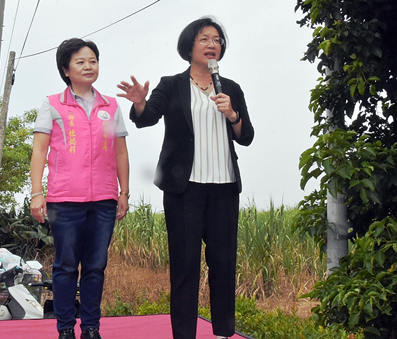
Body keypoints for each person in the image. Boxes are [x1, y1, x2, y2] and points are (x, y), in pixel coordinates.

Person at [117, 17, 254, 339]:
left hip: (224, 187)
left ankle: (223, 332)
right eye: (204, 39)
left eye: (217, 40)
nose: (212, 44)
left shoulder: (230, 88)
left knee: (223, 263)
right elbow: (146, 119)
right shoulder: (171, 84)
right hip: (183, 188)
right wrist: (139, 102)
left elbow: (246, 136)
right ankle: (184, 335)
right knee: (185, 265)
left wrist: (232, 115)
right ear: (189, 45)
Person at [30, 38, 130, 339]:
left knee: (96, 267)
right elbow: (39, 151)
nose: (88, 66)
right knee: (65, 267)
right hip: (64, 200)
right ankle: (64, 329)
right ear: (66, 69)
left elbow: (121, 152)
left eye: (93, 61)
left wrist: (123, 192)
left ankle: (90, 328)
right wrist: (37, 192)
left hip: (103, 200)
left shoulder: (110, 105)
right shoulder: (52, 104)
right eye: (80, 62)